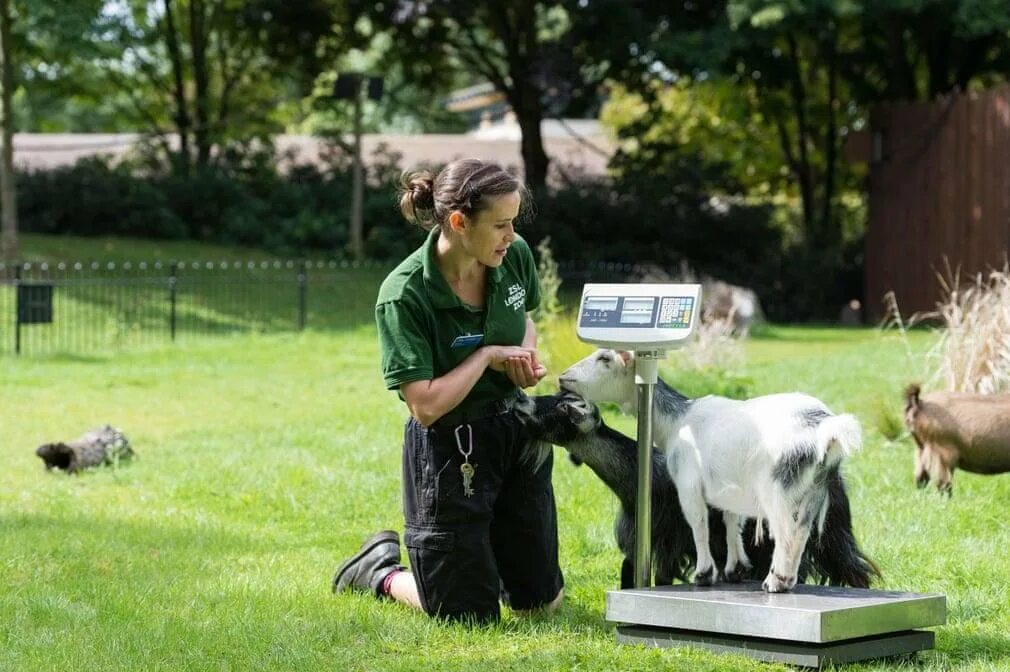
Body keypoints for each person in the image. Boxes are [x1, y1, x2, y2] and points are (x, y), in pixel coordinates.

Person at [332, 158, 564, 623]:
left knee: (540, 605)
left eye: (513, 222)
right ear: (459, 223)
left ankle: (481, 564)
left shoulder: (512, 256)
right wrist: (484, 358)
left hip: (516, 432)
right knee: (466, 618)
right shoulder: (404, 294)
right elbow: (425, 406)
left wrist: (524, 356)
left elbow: (526, 323)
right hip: (451, 449)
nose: (511, 236)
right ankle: (379, 571)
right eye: (500, 225)